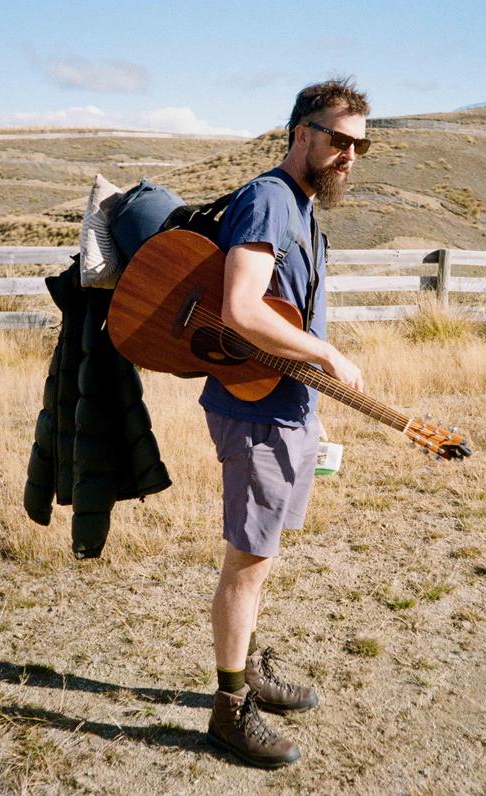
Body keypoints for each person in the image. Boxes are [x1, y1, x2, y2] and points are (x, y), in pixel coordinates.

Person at [202, 78, 371, 768]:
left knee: (262, 557)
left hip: (287, 410)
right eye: (338, 140)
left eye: (360, 144)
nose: (349, 156)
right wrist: (328, 353)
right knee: (248, 561)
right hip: (255, 415)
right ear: (303, 132)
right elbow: (240, 309)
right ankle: (228, 708)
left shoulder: (302, 207)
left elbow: (283, 317)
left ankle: (250, 674)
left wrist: (315, 405)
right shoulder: (269, 199)